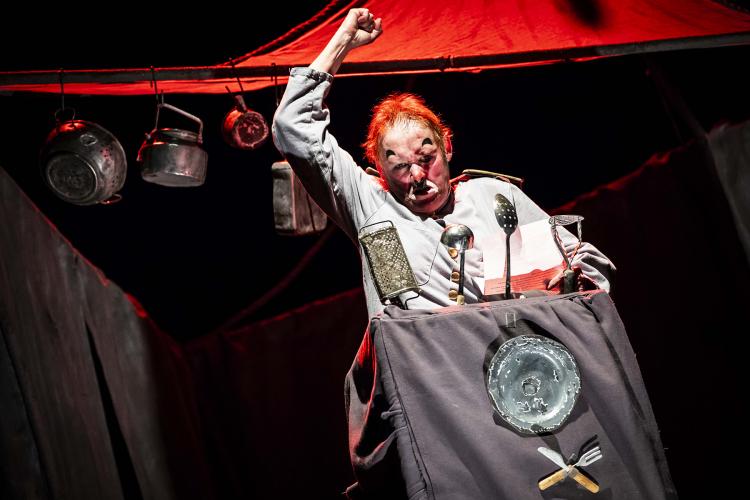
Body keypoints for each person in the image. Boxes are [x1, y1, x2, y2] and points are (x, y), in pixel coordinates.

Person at [272, 8, 615, 320]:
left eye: (426, 159)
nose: (418, 176)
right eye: (400, 167)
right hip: (424, 361)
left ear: (447, 147)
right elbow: (292, 127)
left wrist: (574, 277)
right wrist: (343, 40)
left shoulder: (493, 196)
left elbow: (580, 259)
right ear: (379, 169)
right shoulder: (370, 206)